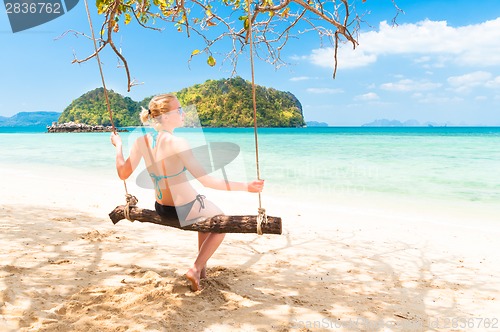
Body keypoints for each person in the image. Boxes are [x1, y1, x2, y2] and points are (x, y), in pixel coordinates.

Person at [110, 93, 264, 291]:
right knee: (222, 222)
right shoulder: (178, 143)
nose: (183, 113)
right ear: (165, 117)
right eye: (179, 110)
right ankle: (195, 268)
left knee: (205, 222)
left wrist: (119, 146)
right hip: (185, 208)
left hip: (162, 208)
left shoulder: (141, 142)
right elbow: (207, 181)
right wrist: (246, 187)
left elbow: (123, 173)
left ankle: (202, 272)